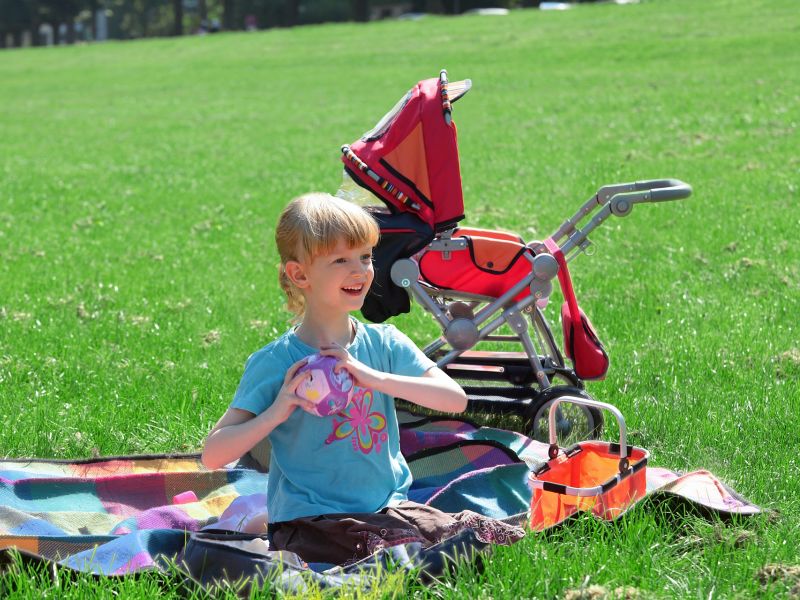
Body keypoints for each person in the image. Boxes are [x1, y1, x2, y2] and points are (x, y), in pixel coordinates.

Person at [202, 193, 524, 565]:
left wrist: (373, 378)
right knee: (393, 555)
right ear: (300, 274)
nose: (360, 270)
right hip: (309, 519)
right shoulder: (276, 363)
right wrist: (279, 409)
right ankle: (263, 523)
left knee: (476, 536)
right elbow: (214, 454)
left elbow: (454, 399)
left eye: (366, 257)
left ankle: (258, 519)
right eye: (340, 260)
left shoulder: (383, 344)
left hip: (388, 508)